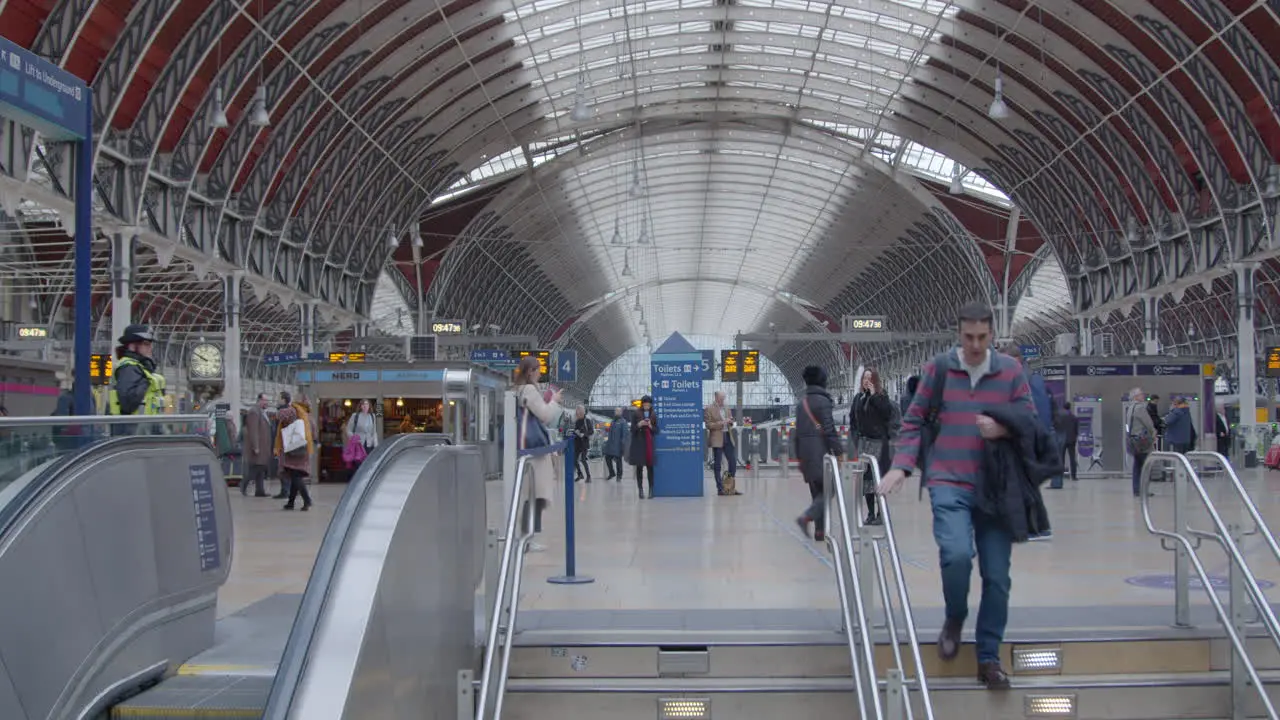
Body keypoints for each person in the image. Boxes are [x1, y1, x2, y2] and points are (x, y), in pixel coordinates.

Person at [877, 301, 1033, 690]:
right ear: (959, 334)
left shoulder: (1011, 372)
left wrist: (1004, 429)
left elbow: (1030, 421)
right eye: (969, 337)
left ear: (992, 335)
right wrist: (901, 466)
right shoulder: (940, 369)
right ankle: (955, 615)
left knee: (997, 578)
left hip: (996, 488)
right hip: (948, 480)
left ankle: (988, 657)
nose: (976, 344)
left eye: (982, 337)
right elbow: (913, 421)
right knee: (957, 554)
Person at [512, 355, 564, 551]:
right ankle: (527, 538)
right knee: (536, 495)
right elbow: (545, 415)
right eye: (538, 368)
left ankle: (528, 537)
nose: (541, 372)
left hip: (529, 448)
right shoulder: (529, 389)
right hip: (534, 450)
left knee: (534, 495)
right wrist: (555, 402)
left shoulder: (520, 389)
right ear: (530, 372)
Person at [794, 365, 843, 542]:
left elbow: (796, 434)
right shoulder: (823, 402)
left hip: (806, 455)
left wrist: (800, 458)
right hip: (821, 454)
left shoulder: (801, 404)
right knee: (830, 490)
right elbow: (829, 430)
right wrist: (838, 452)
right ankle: (807, 517)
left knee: (817, 492)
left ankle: (820, 531)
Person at [850, 368, 894, 525]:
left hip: (878, 444)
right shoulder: (858, 399)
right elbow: (853, 421)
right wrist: (855, 439)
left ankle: (881, 513)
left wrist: (874, 393)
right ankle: (870, 513)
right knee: (866, 481)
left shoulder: (881, 397)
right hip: (864, 444)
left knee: (878, 479)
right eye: (864, 378)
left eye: (870, 378)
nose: (866, 381)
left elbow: (886, 413)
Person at [109, 324, 167, 428]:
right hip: (133, 432)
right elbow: (128, 403)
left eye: (150, 344)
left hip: (143, 431)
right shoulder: (128, 368)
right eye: (146, 344)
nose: (150, 348)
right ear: (132, 346)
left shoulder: (140, 368)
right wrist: (146, 381)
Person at [274, 400, 314, 511]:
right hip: (302, 448)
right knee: (295, 475)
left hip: (293, 449)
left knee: (296, 477)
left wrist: (280, 408)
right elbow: (314, 432)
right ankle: (290, 502)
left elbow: (280, 415)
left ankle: (307, 500)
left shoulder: (293, 409)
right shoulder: (306, 415)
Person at [704, 391, 742, 496]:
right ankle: (720, 488)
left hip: (728, 437)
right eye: (721, 398)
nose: (723, 400)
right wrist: (722, 423)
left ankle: (729, 487)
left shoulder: (726, 408)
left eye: (724, 398)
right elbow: (708, 425)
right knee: (717, 464)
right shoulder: (709, 408)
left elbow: (731, 421)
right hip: (717, 438)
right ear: (716, 397)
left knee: (733, 462)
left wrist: (730, 421)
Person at [1126, 388, 1158, 497]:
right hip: (1142, 441)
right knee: (1146, 465)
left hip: (1132, 440)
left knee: (1137, 465)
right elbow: (1148, 422)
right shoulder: (1140, 408)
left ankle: (1136, 490)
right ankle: (1144, 490)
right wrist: (1153, 432)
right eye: (1141, 394)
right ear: (1136, 397)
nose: (1143, 396)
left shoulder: (1130, 407)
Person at [242, 393, 273, 497]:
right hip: (258, 447)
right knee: (255, 468)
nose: (267, 402)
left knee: (261, 468)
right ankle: (243, 485)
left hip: (263, 447)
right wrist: (255, 446)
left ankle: (260, 490)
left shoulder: (262, 412)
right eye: (265, 400)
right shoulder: (254, 412)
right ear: (259, 400)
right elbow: (253, 430)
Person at [629, 396, 660, 499]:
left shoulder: (654, 414)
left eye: (648, 404)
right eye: (645, 404)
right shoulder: (636, 414)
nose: (646, 406)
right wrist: (639, 424)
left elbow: (657, 430)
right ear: (642, 404)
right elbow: (632, 429)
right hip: (639, 443)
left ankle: (651, 490)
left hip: (649, 444)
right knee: (639, 467)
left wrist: (651, 426)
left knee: (650, 467)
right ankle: (640, 490)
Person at [345, 399, 379, 470]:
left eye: (367, 404)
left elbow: (374, 432)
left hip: (369, 444)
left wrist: (376, 445)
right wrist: (354, 438)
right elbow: (348, 430)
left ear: (369, 406)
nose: (365, 406)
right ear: (360, 406)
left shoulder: (372, 416)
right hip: (358, 444)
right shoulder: (355, 416)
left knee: (368, 464)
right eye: (363, 404)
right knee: (358, 465)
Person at [1055, 400, 1080, 482]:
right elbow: (1077, 430)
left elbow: (1056, 428)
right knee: (1072, 458)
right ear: (1070, 407)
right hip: (1072, 440)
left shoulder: (1060, 417)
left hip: (1062, 439)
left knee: (1061, 458)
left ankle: (1060, 476)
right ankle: (1074, 476)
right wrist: (1075, 437)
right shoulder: (1074, 417)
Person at [603, 407, 628, 481]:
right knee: (607, 458)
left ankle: (619, 476)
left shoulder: (623, 422)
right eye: (615, 411)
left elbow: (624, 434)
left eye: (618, 411)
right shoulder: (613, 421)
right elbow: (610, 433)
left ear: (621, 413)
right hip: (611, 445)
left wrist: (622, 445)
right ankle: (612, 473)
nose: (616, 412)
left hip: (618, 445)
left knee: (618, 460)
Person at [572, 405, 594, 482]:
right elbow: (575, 430)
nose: (577, 414)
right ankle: (580, 474)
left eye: (578, 413)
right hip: (577, 443)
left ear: (582, 412)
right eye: (577, 413)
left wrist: (584, 434)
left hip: (584, 443)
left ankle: (589, 477)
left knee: (583, 459)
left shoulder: (587, 421)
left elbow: (591, 431)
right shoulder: (577, 421)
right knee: (574, 460)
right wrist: (575, 432)